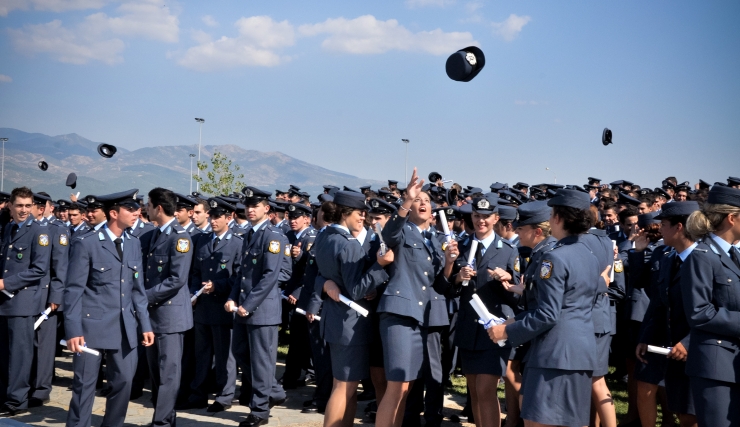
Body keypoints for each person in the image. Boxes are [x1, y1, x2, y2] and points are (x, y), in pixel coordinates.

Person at [489, 189, 607, 427]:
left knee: (537, 422)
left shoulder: (554, 258)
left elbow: (548, 313)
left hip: (553, 356)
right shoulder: (589, 255)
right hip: (581, 354)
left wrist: (508, 332)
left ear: (557, 218)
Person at [62, 189, 154, 427]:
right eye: (130, 210)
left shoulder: (133, 243)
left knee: (123, 383)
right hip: (91, 327)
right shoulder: (87, 243)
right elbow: (73, 290)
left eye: (137, 209)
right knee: (85, 386)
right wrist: (72, 330)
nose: (137, 213)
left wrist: (145, 324)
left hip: (125, 328)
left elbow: (137, 290)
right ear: (114, 213)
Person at [438, 191, 518, 427]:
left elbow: (517, 291)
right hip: (467, 329)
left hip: (493, 328)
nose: (480, 220)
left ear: (495, 218)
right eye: (476, 215)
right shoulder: (460, 246)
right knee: (474, 391)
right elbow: (446, 288)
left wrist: (507, 278)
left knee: (485, 390)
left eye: (486, 216)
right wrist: (454, 272)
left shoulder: (507, 250)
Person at [314, 191, 393, 427]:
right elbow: (357, 289)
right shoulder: (347, 244)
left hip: (336, 320)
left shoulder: (325, 235)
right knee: (344, 386)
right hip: (350, 322)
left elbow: (325, 274)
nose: (363, 218)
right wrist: (379, 265)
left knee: (348, 387)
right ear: (346, 213)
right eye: (360, 213)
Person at [226, 186, 290, 427]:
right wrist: (233, 297)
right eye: (248, 206)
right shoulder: (249, 234)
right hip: (243, 307)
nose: (250, 210)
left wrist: (249, 304)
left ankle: (260, 411)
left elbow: (270, 275)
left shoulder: (272, 236)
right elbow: (242, 273)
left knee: (261, 361)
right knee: (241, 353)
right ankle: (274, 391)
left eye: (256, 206)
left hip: (262, 310)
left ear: (267, 209)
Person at [635, 201, 700, 427]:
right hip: (672, 349)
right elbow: (660, 305)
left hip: (696, 351)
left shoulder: (705, 260)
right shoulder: (669, 258)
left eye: (663, 224)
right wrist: (647, 338)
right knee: (682, 413)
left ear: (679, 227)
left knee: (692, 418)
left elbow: (717, 309)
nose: (659, 229)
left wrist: (689, 342)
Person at [681, 185, 740, 427]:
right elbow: (699, 312)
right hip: (715, 367)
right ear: (732, 218)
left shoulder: (734, 255)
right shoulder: (701, 256)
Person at [181, 197, 242, 412]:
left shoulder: (237, 242)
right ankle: (198, 394)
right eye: (212, 216)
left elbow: (238, 277)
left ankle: (225, 396)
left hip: (222, 307)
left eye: (218, 217)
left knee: (225, 356)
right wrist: (194, 291)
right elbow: (196, 272)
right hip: (203, 307)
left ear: (229, 218)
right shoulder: (203, 240)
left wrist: (217, 286)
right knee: (202, 353)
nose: (213, 220)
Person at [142, 188, 194, 426]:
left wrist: (145, 296)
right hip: (153, 315)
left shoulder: (179, 237)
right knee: (156, 373)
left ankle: (161, 422)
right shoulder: (153, 235)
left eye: (148, 205)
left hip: (170, 315)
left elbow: (177, 279)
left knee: (168, 373)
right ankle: (165, 419)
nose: (145, 209)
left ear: (158, 208)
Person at [0, 187, 52, 417]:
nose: (23, 210)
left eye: (27, 206)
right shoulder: (10, 228)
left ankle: (17, 400)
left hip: (22, 302)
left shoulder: (39, 232)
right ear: (10, 206)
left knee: (20, 355)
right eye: (19, 205)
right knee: (4, 354)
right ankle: (5, 395)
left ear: (33, 207)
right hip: (4, 303)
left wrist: (5, 284)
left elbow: (39, 269)